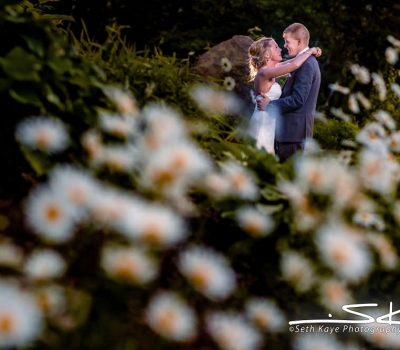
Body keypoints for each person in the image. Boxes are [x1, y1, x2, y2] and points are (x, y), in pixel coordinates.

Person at [247, 36, 321, 155]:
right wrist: (311, 51)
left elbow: (291, 61)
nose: (280, 49)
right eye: (276, 47)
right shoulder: (264, 72)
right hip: (263, 121)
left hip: (270, 120)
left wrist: (308, 53)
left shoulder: (271, 68)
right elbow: (294, 65)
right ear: (267, 55)